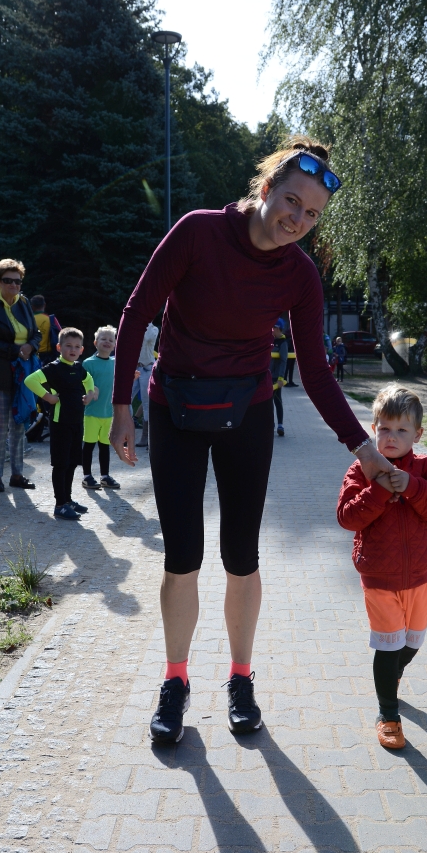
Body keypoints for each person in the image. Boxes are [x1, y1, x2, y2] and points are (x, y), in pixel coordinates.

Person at [109, 135, 393, 745]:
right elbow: (137, 312)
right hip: (175, 407)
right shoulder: (198, 232)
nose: (298, 220)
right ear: (266, 189)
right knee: (182, 556)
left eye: (312, 213)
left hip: (248, 413)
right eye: (292, 201)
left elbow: (315, 371)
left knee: (242, 555)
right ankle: (176, 681)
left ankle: (241, 678)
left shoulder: (299, 275)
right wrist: (121, 408)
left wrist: (363, 448)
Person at [337, 385, 427, 749]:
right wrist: (378, 490)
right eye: (385, 429)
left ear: (417, 434)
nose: (391, 437)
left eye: (401, 430)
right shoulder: (362, 470)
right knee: (388, 648)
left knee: (412, 642)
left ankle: (392, 674)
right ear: (374, 429)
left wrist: (413, 487)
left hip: (419, 576)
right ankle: (388, 714)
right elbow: (347, 517)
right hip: (379, 578)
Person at [0, 259, 41, 492]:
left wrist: (31, 346)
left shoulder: (23, 302)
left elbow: (36, 333)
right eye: (8, 280)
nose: (14, 285)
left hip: (23, 374)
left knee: (19, 425)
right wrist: (16, 350)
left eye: (18, 281)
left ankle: (17, 475)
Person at [24, 328, 96, 521]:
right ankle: (60, 505)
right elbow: (30, 380)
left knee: (72, 463)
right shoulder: (54, 368)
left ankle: (68, 500)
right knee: (61, 464)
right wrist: (47, 396)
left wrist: (89, 394)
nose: (73, 350)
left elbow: (89, 380)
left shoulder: (79, 367)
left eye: (77, 346)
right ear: (59, 347)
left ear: (82, 350)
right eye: (68, 346)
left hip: (76, 423)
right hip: (60, 423)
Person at [81, 325, 120, 489]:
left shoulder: (116, 363)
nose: (107, 342)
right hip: (91, 412)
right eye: (103, 339)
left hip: (109, 413)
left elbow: (119, 384)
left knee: (105, 446)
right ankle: (87, 476)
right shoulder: (88, 363)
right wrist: (91, 390)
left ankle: (105, 476)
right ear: (96, 342)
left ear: (115, 344)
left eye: (111, 340)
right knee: (89, 445)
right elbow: (81, 383)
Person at [132, 321, 158, 447]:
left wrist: (145, 322)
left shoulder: (153, 329)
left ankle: (146, 437)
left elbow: (146, 338)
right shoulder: (134, 325)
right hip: (134, 368)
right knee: (125, 399)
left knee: (146, 403)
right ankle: (126, 432)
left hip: (147, 369)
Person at [270, 317, 288, 436]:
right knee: (268, 401)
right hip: (268, 375)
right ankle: (270, 424)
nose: (271, 330)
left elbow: (283, 361)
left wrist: (281, 378)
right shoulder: (270, 340)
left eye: (273, 328)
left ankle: (280, 425)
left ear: (278, 328)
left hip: (276, 377)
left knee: (277, 400)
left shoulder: (282, 342)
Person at [31, 295, 53, 362]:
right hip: (47, 355)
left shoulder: (28, 320)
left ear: (32, 306)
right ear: (44, 305)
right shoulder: (51, 319)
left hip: (31, 353)